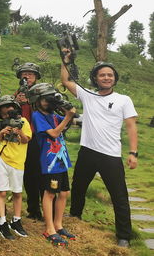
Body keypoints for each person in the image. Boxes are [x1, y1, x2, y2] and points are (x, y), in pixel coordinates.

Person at [61, 57, 138, 248]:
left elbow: (131, 127)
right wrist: (65, 60)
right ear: (95, 78)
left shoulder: (123, 100)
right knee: (78, 186)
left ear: (115, 78)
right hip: (87, 151)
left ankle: (124, 236)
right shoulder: (88, 95)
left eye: (110, 75)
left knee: (119, 196)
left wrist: (133, 152)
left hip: (110, 155)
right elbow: (66, 81)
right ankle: (75, 215)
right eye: (102, 75)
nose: (106, 77)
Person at [28, 83, 76, 247]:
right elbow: (55, 133)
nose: (49, 102)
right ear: (37, 100)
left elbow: (71, 122)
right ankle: (49, 228)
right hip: (50, 163)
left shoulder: (54, 115)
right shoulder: (37, 115)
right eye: (45, 99)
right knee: (49, 193)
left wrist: (68, 112)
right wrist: (68, 117)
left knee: (63, 193)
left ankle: (58, 225)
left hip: (61, 161)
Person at [0, 95, 32, 240]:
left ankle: (16, 220)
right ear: (0, 110)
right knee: (1, 192)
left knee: (17, 192)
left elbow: (26, 140)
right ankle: (2, 221)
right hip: (3, 159)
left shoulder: (24, 121)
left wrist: (19, 131)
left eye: (11, 106)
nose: (9, 109)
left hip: (18, 162)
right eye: (5, 107)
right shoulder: (0, 124)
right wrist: (2, 132)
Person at [14, 62, 44, 220]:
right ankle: (33, 209)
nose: (27, 76)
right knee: (29, 175)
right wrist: (16, 102)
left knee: (41, 173)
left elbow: (45, 110)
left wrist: (31, 101)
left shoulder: (42, 91)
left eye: (30, 74)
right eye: (24, 74)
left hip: (39, 136)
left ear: (36, 77)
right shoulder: (18, 93)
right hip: (22, 137)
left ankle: (48, 207)